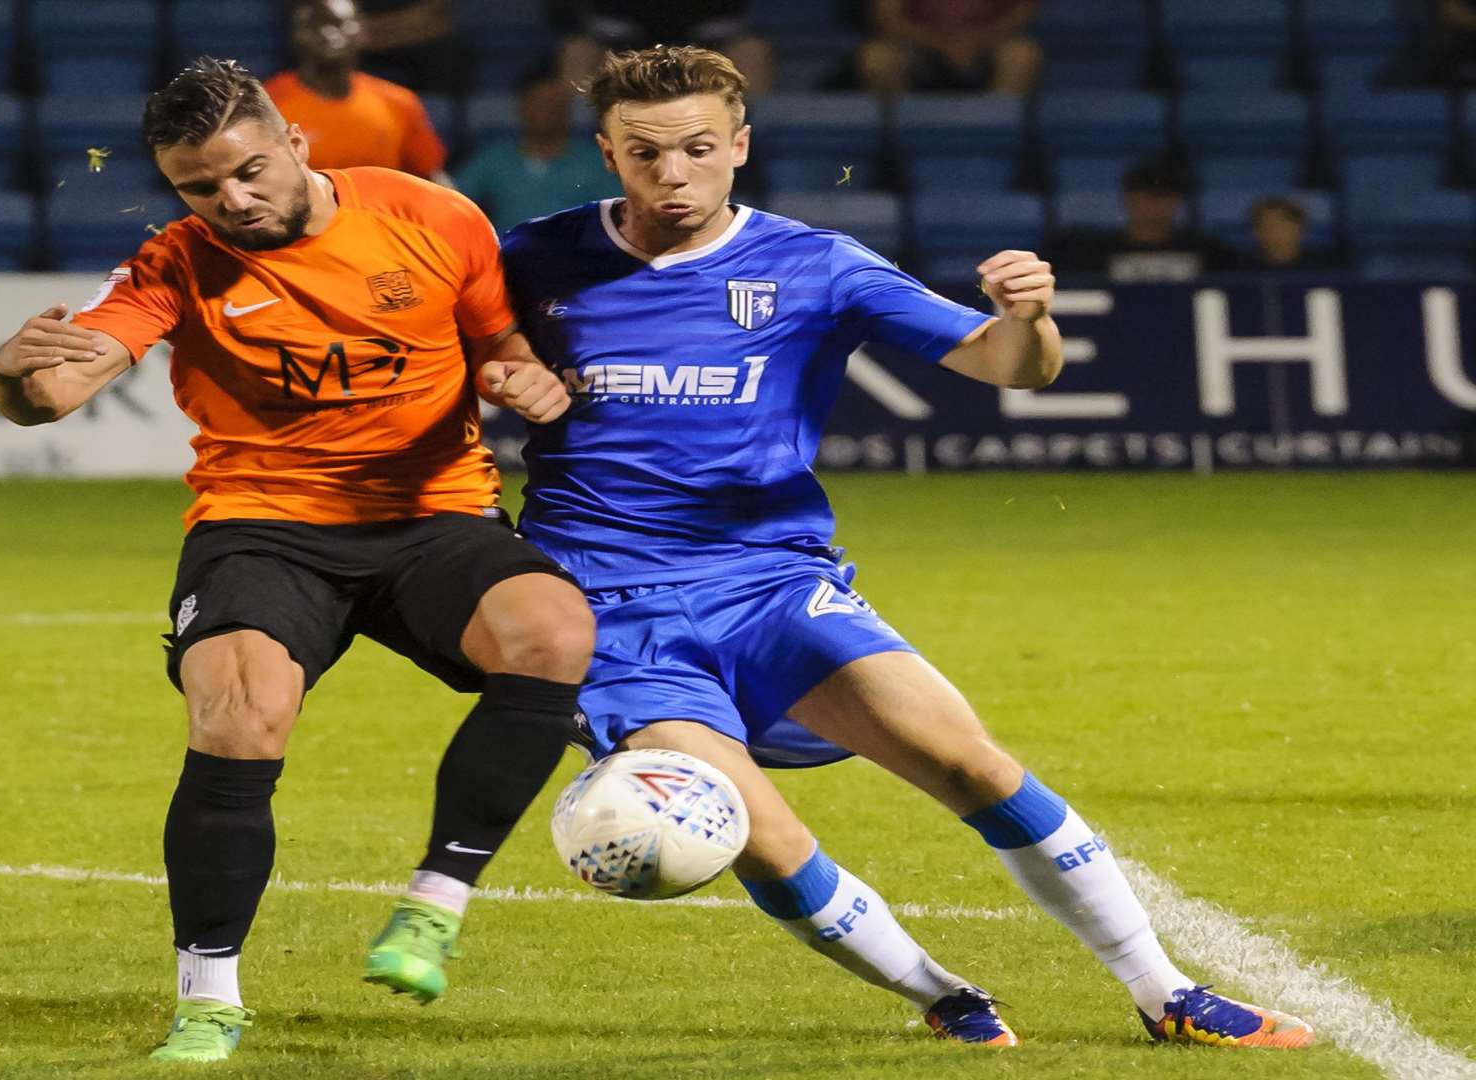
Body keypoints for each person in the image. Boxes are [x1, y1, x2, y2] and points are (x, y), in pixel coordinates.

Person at [499, 44, 1316, 1050]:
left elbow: (1009, 366)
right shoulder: (531, 260)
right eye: (646, 153)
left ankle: (1167, 994)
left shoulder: (815, 264)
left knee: (972, 764)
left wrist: (1032, 318)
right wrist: (499, 386)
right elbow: (433, 373)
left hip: (773, 585)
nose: (674, 174)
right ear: (608, 151)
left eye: (699, 149)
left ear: (740, 147)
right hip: (605, 610)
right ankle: (943, 996)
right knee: (759, 834)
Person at [0, 57, 592, 1064]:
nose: (232, 199)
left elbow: (501, 345)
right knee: (238, 713)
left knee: (556, 634)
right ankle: (208, 998)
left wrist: (524, 380)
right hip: (264, 523)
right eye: (200, 186)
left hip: (433, 513)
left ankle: (431, 909)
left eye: (248, 170)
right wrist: (12, 376)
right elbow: (54, 392)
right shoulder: (177, 262)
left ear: (296, 144)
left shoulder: (433, 216)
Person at [263, 0, 450, 181]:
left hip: (378, 211)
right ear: (295, 34)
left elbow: (431, 178)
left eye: (339, 23)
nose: (328, 32)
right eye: (314, 24)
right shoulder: (267, 105)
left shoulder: (399, 103)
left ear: (361, 29)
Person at [453, 61, 614, 232]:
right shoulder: (494, 159)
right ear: (522, 107)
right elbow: (453, 200)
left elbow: (616, 217)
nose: (546, 112)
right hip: (508, 254)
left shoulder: (594, 161)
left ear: (566, 110)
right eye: (538, 103)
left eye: (553, 105)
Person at [1048, 159, 1223, 283]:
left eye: (1164, 198)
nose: (1154, 206)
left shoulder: (1209, 253)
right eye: (1147, 197)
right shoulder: (1092, 254)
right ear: (1128, 199)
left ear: (1177, 202)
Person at [557, 1, 775, 98]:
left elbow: (728, 16)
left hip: (702, 47)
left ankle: (743, 132)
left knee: (752, 50)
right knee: (577, 50)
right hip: (623, 46)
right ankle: (584, 140)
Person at [855, 0, 1042, 98]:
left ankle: (995, 138)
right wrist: (943, 45)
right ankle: (901, 145)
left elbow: (1021, 12)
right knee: (877, 60)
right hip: (920, 49)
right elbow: (888, 17)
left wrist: (976, 41)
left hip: (984, 47)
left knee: (1022, 55)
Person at [1213, 196, 1349, 273]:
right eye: (1265, 225)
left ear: (1300, 228)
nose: (1273, 231)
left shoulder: (1327, 268)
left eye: (1281, 224)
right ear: (1255, 232)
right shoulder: (1239, 271)